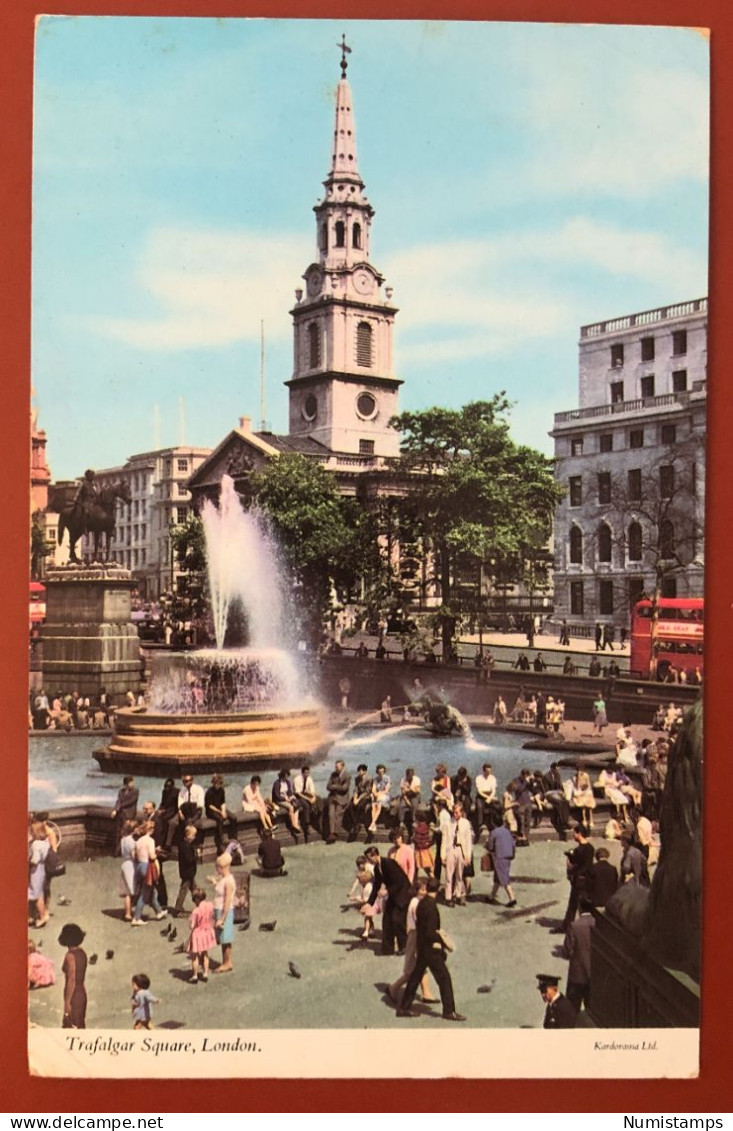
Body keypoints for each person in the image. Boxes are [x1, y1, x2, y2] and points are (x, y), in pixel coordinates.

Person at [396, 877, 465, 1022]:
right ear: (438, 889)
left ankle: (404, 1007)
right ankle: (449, 1011)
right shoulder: (432, 907)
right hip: (430, 949)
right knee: (444, 979)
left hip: (422, 947)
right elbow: (431, 932)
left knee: (415, 977)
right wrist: (441, 941)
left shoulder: (422, 904)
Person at [388, 879, 437, 1007]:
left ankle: (426, 993)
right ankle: (394, 988)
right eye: (422, 890)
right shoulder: (416, 903)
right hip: (415, 935)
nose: (425, 892)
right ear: (416, 890)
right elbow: (420, 922)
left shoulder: (417, 902)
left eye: (426, 890)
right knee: (411, 968)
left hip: (416, 934)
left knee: (421, 963)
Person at [365, 845, 412, 956]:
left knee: (397, 920)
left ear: (375, 855)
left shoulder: (389, 863)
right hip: (393, 894)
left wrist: (387, 891)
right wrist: (369, 903)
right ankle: (387, 948)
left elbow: (400, 882)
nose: (368, 861)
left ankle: (404, 946)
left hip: (403, 894)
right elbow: (376, 885)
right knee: (387, 921)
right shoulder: (377, 868)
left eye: (369, 858)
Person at [556, 824, 595, 932]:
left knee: (574, 903)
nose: (573, 835)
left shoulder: (580, 850)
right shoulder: (590, 848)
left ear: (579, 834)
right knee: (579, 903)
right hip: (586, 879)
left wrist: (571, 864)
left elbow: (579, 865)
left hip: (579, 879)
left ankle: (569, 925)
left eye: (575, 833)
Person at [563, 897, 596, 1012]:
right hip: (593, 974)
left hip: (577, 975)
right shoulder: (598, 925)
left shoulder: (574, 926)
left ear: (579, 908)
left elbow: (566, 951)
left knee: (572, 1010)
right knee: (592, 1012)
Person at [131, 821, 166, 925]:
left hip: (139, 866)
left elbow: (135, 855)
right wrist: (157, 853)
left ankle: (158, 911)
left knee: (152, 890)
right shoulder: (150, 840)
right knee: (145, 894)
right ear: (150, 830)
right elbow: (151, 856)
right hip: (147, 867)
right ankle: (136, 918)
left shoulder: (139, 841)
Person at [209, 852, 236, 973]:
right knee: (223, 938)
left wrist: (222, 918)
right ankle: (226, 961)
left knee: (225, 938)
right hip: (218, 909)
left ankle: (227, 962)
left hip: (224, 911)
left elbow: (228, 901)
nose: (217, 870)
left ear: (223, 867)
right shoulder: (224, 879)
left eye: (218, 868)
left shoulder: (229, 881)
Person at [442, 802, 473, 907]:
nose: (454, 814)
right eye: (453, 812)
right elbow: (444, 839)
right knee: (449, 875)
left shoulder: (466, 823)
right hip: (451, 849)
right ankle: (448, 897)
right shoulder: (448, 823)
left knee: (459, 875)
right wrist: (443, 855)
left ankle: (458, 894)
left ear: (461, 812)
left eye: (457, 812)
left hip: (461, 849)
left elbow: (468, 840)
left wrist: (468, 855)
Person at [59, 923, 88, 1029]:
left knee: (70, 1026)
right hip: (82, 993)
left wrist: (67, 1002)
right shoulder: (82, 953)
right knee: (80, 1024)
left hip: (73, 996)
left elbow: (72, 980)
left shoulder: (70, 956)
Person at [186, 888, 216, 983]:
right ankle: (205, 974)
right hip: (206, 931)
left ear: (197, 899)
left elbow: (192, 926)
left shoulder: (196, 911)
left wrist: (190, 922)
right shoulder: (210, 905)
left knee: (194, 956)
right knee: (205, 953)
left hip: (198, 934)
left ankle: (195, 976)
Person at [487, 819, 517, 907]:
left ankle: (512, 898)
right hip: (508, 855)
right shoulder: (508, 832)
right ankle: (491, 896)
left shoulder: (494, 833)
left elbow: (490, 847)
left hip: (499, 857)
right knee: (498, 877)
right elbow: (513, 845)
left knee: (504, 878)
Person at [28, 820, 52, 928]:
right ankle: (36, 915)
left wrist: (27, 861)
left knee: (34, 894)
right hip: (42, 869)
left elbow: (35, 860)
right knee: (39, 894)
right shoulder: (45, 842)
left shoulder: (35, 844)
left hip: (35, 871)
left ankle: (42, 916)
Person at [205, 774, 237, 854]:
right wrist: (220, 813)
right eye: (217, 783)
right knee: (219, 819)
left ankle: (233, 837)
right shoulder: (209, 792)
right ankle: (221, 840)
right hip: (211, 810)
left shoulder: (222, 790)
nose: (218, 785)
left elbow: (223, 802)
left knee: (233, 817)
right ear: (213, 783)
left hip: (219, 808)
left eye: (219, 783)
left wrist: (223, 811)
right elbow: (210, 806)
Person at [172, 824, 199, 917]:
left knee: (194, 889)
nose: (194, 837)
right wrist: (196, 856)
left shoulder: (183, 844)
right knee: (185, 890)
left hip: (187, 872)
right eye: (193, 835)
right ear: (188, 835)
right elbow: (189, 859)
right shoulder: (186, 846)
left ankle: (200, 905)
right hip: (188, 872)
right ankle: (177, 909)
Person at [271, 768, 303, 839]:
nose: (287, 777)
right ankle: (293, 824)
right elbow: (276, 795)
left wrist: (291, 797)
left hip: (287, 799)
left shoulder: (287, 782)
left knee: (296, 806)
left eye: (287, 775)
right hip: (279, 800)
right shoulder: (277, 783)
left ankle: (296, 823)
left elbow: (289, 792)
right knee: (290, 807)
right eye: (286, 775)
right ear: (282, 775)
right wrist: (285, 799)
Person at [326, 760, 351, 844]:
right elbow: (328, 786)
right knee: (331, 815)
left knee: (338, 815)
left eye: (337, 766)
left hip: (342, 799)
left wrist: (335, 786)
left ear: (342, 766)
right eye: (335, 766)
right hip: (332, 798)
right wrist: (336, 787)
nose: (335, 768)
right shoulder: (333, 774)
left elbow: (344, 788)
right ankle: (331, 833)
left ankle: (335, 834)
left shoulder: (347, 775)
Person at [346, 764, 372, 842]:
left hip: (366, 797)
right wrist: (355, 797)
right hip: (359, 796)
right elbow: (356, 789)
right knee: (351, 806)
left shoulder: (369, 778)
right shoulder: (357, 779)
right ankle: (356, 823)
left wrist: (359, 799)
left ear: (365, 771)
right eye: (359, 771)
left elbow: (367, 791)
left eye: (361, 770)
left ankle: (357, 824)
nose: (359, 772)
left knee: (360, 806)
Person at [118, 818, 138, 922]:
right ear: (133, 829)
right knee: (131, 890)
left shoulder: (123, 839)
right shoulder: (131, 841)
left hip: (124, 863)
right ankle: (129, 913)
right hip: (131, 865)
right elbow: (134, 855)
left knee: (127, 891)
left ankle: (127, 912)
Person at [293, 765, 320, 839]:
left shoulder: (309, 779)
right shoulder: (297, 779)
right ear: (302, 773)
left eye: (308, 773)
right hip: (298, 796)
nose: (307, 774)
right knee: (306, 805)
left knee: (318, 800)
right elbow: (298, 793)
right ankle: (307, 824)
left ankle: (316, 820)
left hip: (306, 793)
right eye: (306, 773)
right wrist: (308, 799)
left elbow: (312, 790)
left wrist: (313, 797)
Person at [568, 764, 596, 828]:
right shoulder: (575, 777)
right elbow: (577, 788)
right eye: (578, 770)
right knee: (582, 800)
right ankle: (584, 818)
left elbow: (589, 785)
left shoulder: (586, 775)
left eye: (581, 770)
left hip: (585, 790)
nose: (580, 771)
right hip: (579, 791)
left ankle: (591, 818)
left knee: (588, 797)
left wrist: (585, 791)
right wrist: (578, 778)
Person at [368, 765, 392, 834]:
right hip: (377, 795)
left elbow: (386, 790)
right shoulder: (375, 779)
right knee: (373, 806)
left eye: (382, 771)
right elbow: (373, 789)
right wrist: (375, 794)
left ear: (384, 771)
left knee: (378, 805)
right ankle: (373, 824)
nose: (381, 773)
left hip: (385, 795)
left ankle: (372, 823)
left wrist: (378, 794)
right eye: (379, 771)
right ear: (377, 772)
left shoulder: (387, 778)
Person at [474, 763, 497, 832]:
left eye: (490, 771)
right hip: (481, 796)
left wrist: (490, 798)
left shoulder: (492, 778)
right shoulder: (479, 778)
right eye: (487, 771)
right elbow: (479, 791)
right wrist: (487, 797)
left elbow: (493, 790)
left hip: (490, 795)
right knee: (479, 806)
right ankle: (480, 824)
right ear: (484, 771)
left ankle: (494, 823)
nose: (489, 773)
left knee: (496, 806)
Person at [397, 767, 421, 832]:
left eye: (411, 776)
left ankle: (414, 820)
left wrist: (410, 789)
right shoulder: (403, 780)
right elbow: (403, 792)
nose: (409, 777)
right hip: (406, 796)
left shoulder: (417, 779)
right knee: (400, 806)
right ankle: (401, 821)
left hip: (414, 795)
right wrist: (407, 801)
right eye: (408, 776)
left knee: (414, 805)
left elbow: (417, 790)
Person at [412, 810, 435, 877]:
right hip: (426, 850)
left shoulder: (417, 829)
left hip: (419, 851)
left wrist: (413, 838)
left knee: (415, 869)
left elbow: (417, 840)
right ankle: (433, 881)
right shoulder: (426, 827)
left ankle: (414, 884)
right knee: (429, 870)